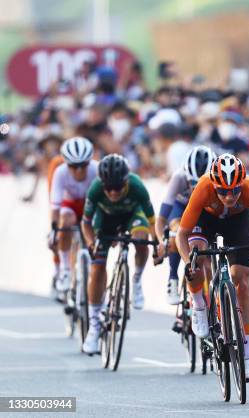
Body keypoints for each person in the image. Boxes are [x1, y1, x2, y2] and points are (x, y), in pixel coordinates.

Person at [176, 154, 249, 382]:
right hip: (206, 221)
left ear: (242, 184)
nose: (229, 196)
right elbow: (182, 234)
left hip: (237, 223)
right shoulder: (203, 187)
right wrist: (187, 262)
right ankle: (200, 305)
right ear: (214, 186)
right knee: (197, 255)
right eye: (222, 191)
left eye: (234, 190)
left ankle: (248, 357)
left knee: (241, 283)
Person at [81, 154, 158, 354]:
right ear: (103, 184)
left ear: (126, 181)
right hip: (105, 220)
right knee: (97, 267)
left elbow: (152, 221)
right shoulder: (96, 188)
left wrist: (157, 245)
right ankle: (94, 325)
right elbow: (86, 223)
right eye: (109, 188)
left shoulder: (137, 186)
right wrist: (90, 244)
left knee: (141, 238)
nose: (113, 192)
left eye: (118, 187)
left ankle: (137, 280)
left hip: (132, 216)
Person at [155, 146, 215, 304]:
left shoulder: (218, 179)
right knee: (176, 232)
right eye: (193, 183)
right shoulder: (179, 177)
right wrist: (162, 241)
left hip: (204, 209)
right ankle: (173, 277)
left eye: (202, 182)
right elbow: (161, 218)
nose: (197, 188)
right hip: (180, 207)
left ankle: (208, 297)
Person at [49, 137, 98, 299]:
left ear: (89, 162)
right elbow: (55, 207)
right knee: (65, 219)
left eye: (83, 165)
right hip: (70, 206)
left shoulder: (96, 169)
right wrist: (54, 231)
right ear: (66, 164)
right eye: (73, 166)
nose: (79, 171)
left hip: (90, 207)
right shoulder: (60, 172)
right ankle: (65, 268)